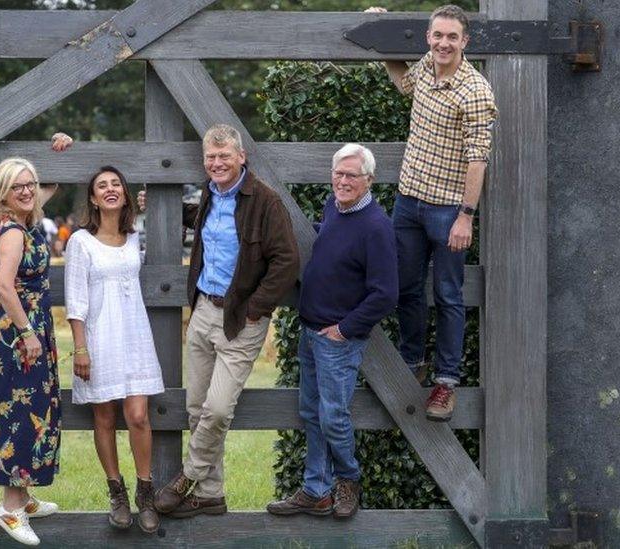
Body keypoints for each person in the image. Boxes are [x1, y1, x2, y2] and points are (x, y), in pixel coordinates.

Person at [140, 124, 299, 518]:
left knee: (217, 409)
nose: (217, 163)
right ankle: (211, 494)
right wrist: (166, 209)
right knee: (196, 407)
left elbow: (287, 261)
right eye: (211, 157)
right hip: (204, 312)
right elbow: (204, 221)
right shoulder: (210, 195)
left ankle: (188, 478)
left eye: (224, 155)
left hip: (240, 318)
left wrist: (255, 308)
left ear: (241, 156)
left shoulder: (265, 201)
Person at [368, 4, 497, 421]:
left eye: (452, 37)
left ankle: (445, 382)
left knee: (448, 294)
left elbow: (478, 158)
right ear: (428, 38)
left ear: (465, 42)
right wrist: (383, 27)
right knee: (404, 285)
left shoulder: (476, 90)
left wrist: (466, 215)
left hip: (447, 210)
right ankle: (411, 360)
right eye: (438, 35)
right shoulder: (426, 67)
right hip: (408, 201)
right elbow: (405, 85)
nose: (444, 43)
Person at [266, 144, 398, 519]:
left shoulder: (376, 227)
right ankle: (316, 490)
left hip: (337, 339)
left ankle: (348, 482)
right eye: (338, 173)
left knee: (333, 416)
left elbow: (385, 294)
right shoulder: (333, 207)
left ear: (368, 180)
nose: (342, 181)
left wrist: (344, 329)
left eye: (351, 175)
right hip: (311, 332)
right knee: (311, 412)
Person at [0, 133, 72, 546]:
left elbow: (48, 186)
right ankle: (10, 508)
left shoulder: (21, 218)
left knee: (32, 408)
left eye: (29, 184)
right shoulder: (13, 232)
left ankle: (24, 494)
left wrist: (56, 149)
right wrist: (28, 333)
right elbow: (3, 287)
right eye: (15, 186)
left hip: (25, 330)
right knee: (18, 415)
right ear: (2, 193)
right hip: (18, 334)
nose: (26, 191)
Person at [65, 166, 164, 533]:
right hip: (97, 337)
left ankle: (145, 493)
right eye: (101, 186)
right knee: (104, 417)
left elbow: (170, 238)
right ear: (93, 198)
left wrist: (153, 209)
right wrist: (80, 348)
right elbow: (75, 299)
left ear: (123, 193)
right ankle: (116, 491)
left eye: (115, 184)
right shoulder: (81, 242)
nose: (110, 189)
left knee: (138, 414)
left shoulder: (134, 237)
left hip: (134, 334)